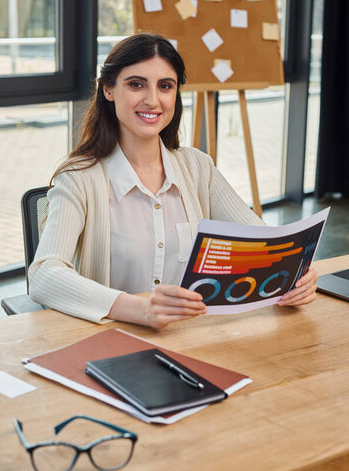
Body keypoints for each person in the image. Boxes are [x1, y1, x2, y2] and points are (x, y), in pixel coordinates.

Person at [29, 33, 317, 328]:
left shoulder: (197, 167)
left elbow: (267, 243)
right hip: (111, 342)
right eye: (136, 84)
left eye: (165, 86)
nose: (153, 100)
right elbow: (43, 275)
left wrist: (297, 271)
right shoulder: (78, 178)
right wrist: (140, 309)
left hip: (191, 338)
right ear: (109, 90)